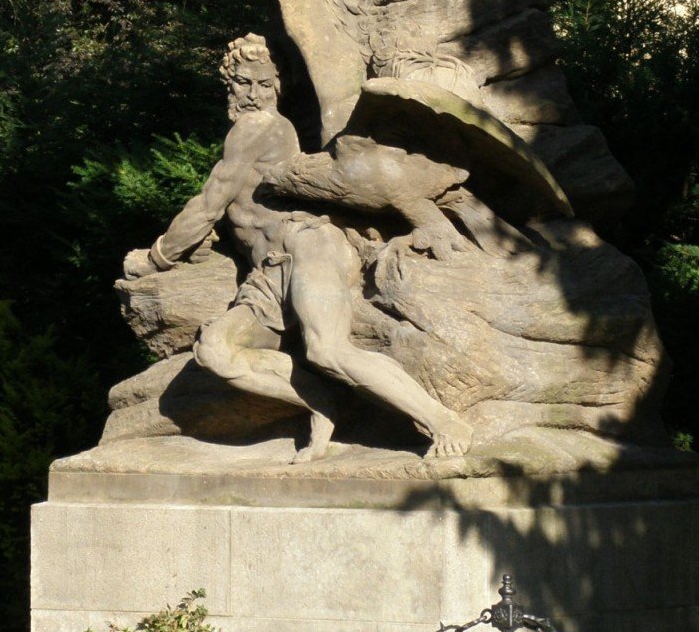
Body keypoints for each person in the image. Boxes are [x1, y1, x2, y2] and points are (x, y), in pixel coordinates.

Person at [138, 34, 473, 464]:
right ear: (229, 85)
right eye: (243, 83)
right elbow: (234, 214)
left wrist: (156, 258)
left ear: (278, 86)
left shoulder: (261, 127)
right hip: (268, 276)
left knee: (327, 349)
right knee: (215, 351)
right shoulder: (250, 133)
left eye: (263, 84)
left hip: (309, 247)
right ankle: (320, 398)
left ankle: (443, 421)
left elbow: (209, 203)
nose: (253, 95)